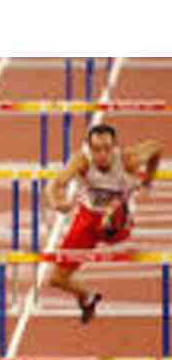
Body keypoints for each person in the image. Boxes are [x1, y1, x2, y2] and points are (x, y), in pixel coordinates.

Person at [47, 124, 163, 324]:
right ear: (89, 148)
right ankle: (88, 296)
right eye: (97, 149)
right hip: (87, 218)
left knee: (111, 215)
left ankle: (111, 217)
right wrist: (57, 202)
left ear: (115, 147)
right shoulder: (81, 161)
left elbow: (157, 148)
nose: (102, 155)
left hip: (119, 220)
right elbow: (55, 184)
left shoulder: (128, 159)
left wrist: (149, 179)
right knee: (56, 279)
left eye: (107, 149)